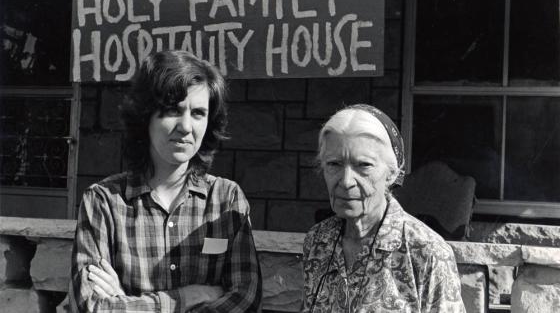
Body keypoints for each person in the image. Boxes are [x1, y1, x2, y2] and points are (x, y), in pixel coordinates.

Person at [70, 50, 262, 312]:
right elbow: (93, 305)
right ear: (145, 115)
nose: (185, 126)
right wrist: (189, 295)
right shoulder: (103, 202)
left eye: (198, 113)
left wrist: (126, 302)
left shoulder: (226, 200)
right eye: (173, 110)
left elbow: (246, 299)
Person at [302, 104, 466, 313]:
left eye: (363, 165)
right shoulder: (317, 242)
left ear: (391, 173)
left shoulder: (426, 251)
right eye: (334, 164)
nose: (346, 181)